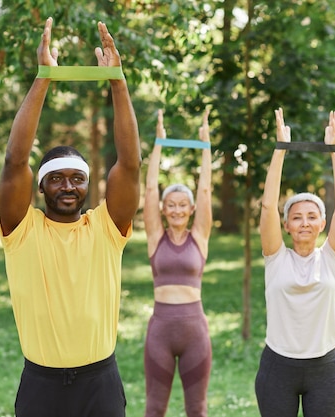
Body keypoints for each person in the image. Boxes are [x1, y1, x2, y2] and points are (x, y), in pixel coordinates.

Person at [0, 17, 141, 417]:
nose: (67, 186)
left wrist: (117, 81)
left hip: (100, 383)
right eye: (55, 179)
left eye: (77, 179)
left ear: (87, 186)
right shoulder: (21, 231)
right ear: (40, 188)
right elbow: (14, 161)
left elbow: (129, 164)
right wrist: (44, 76)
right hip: (41, 385)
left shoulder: (106, 229)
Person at [255, 108, 335, 417]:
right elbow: (269, 206)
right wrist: (280, 148)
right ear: (287, 226)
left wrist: (334, 149)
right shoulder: (275, 257)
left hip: (325, 369)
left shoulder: (331, 256)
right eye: (296, 217)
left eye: (312, 216)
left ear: (322, 223)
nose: (304, 222)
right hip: (277, 368)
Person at [143, 109, 213, 417]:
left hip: (194, 330)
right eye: (171, 205)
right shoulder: (156, 236)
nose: (176, 210)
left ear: (192, 208)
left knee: (196, 410)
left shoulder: (199, 236)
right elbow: (148, 189)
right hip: (160, 330)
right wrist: (158, 143)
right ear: (163, 208)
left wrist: (206, 147)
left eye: (183, 205)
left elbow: (206, 190)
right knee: (155, 408)